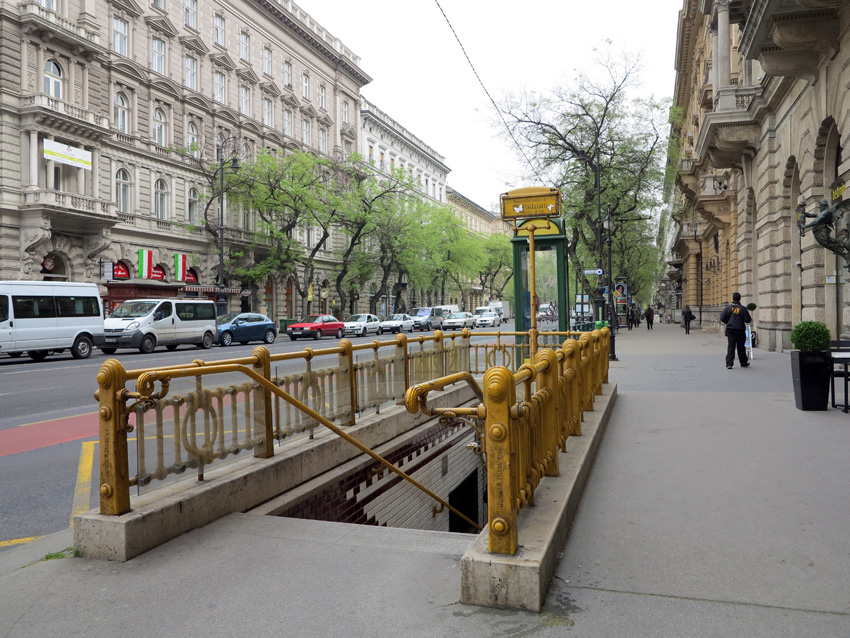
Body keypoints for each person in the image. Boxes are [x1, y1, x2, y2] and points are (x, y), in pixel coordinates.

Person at [720, 292, 752, 369]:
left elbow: (722, 318)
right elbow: (748, 320)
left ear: (733, 298)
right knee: (741, 346)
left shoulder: (728, 308)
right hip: (740, 329)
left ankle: (729, 363)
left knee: (731, 346)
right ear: (740, 298)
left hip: (730, 329)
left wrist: (728, 322)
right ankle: (743, 362)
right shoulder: (743, 308)